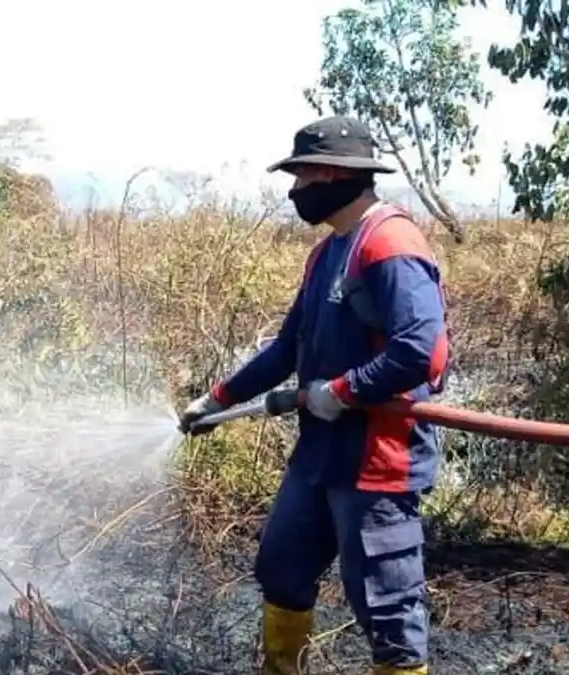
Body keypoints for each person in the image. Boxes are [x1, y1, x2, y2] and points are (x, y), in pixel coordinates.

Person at [178, 115, 448, 675]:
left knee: (387, 610)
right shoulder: (328, 253)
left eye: (301, 178)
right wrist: (217, 400)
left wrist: (345, 392)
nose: (295, 191)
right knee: (283, 568)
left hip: (376, 460)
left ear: (333, 174)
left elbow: (420, 351)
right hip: (320, 455)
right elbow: (287, 350)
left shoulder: (391, 244)